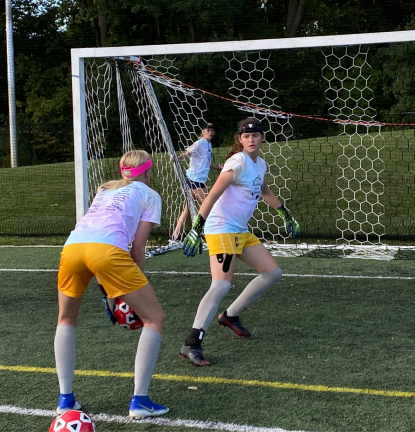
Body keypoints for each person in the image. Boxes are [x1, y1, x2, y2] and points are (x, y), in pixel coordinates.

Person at [54, 150, 169, 419]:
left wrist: (112, 294)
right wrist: (131, 289)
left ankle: (65, 399)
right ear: (149, 172)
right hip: (106, 251)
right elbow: (137, 247)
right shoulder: (150, 195)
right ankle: (140, 400)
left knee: (66, 319)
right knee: (154, 318)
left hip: (72, 248)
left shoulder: (105, 189)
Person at [179, 118, 301, 366]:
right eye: (246, 136)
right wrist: (197, 226)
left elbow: (264, 191)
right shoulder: (237, 163)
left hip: (239, 231)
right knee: (221, 285)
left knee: (272, 273)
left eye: (256, 135)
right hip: (221, 228)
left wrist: (285, 213)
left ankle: (231, 315)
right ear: (240, 140)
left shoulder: (260, 164)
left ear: (262, 137)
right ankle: (191, 343)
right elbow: (212, 193)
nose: (251, 139)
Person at [170, 122, 222, 244]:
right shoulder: (200, 142)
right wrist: (177, 158)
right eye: (207, 130)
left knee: (187, 209)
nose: (210, 132)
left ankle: (175, 236)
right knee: (208, 206)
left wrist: (218, 168)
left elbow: (208, 163)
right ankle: (202, 233)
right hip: (195, 180)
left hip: (193, 180)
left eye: (212, 130)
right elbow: (188, 153)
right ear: (202, 131)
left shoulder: (208, 145)